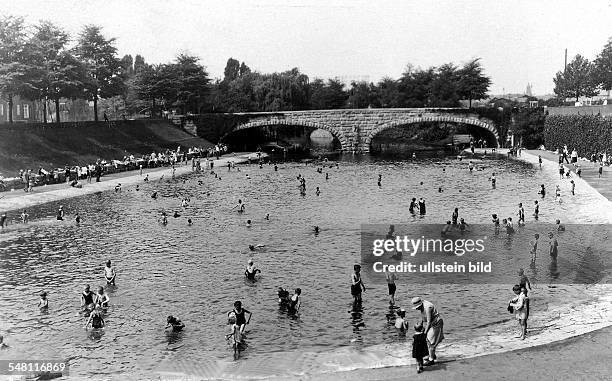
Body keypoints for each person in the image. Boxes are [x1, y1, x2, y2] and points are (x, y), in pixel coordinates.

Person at [412, 297, 444, 366]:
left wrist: (424, 333)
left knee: (431, 341)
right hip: (432, 323)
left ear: (420, 305)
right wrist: (422, 329)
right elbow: (423, 319)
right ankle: (432, 355)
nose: (416, 309)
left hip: (436, 323)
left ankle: (431, 360)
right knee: (428, 340)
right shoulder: (422, 307)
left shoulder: (428, 307)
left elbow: (428, 322)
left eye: (417, 307)